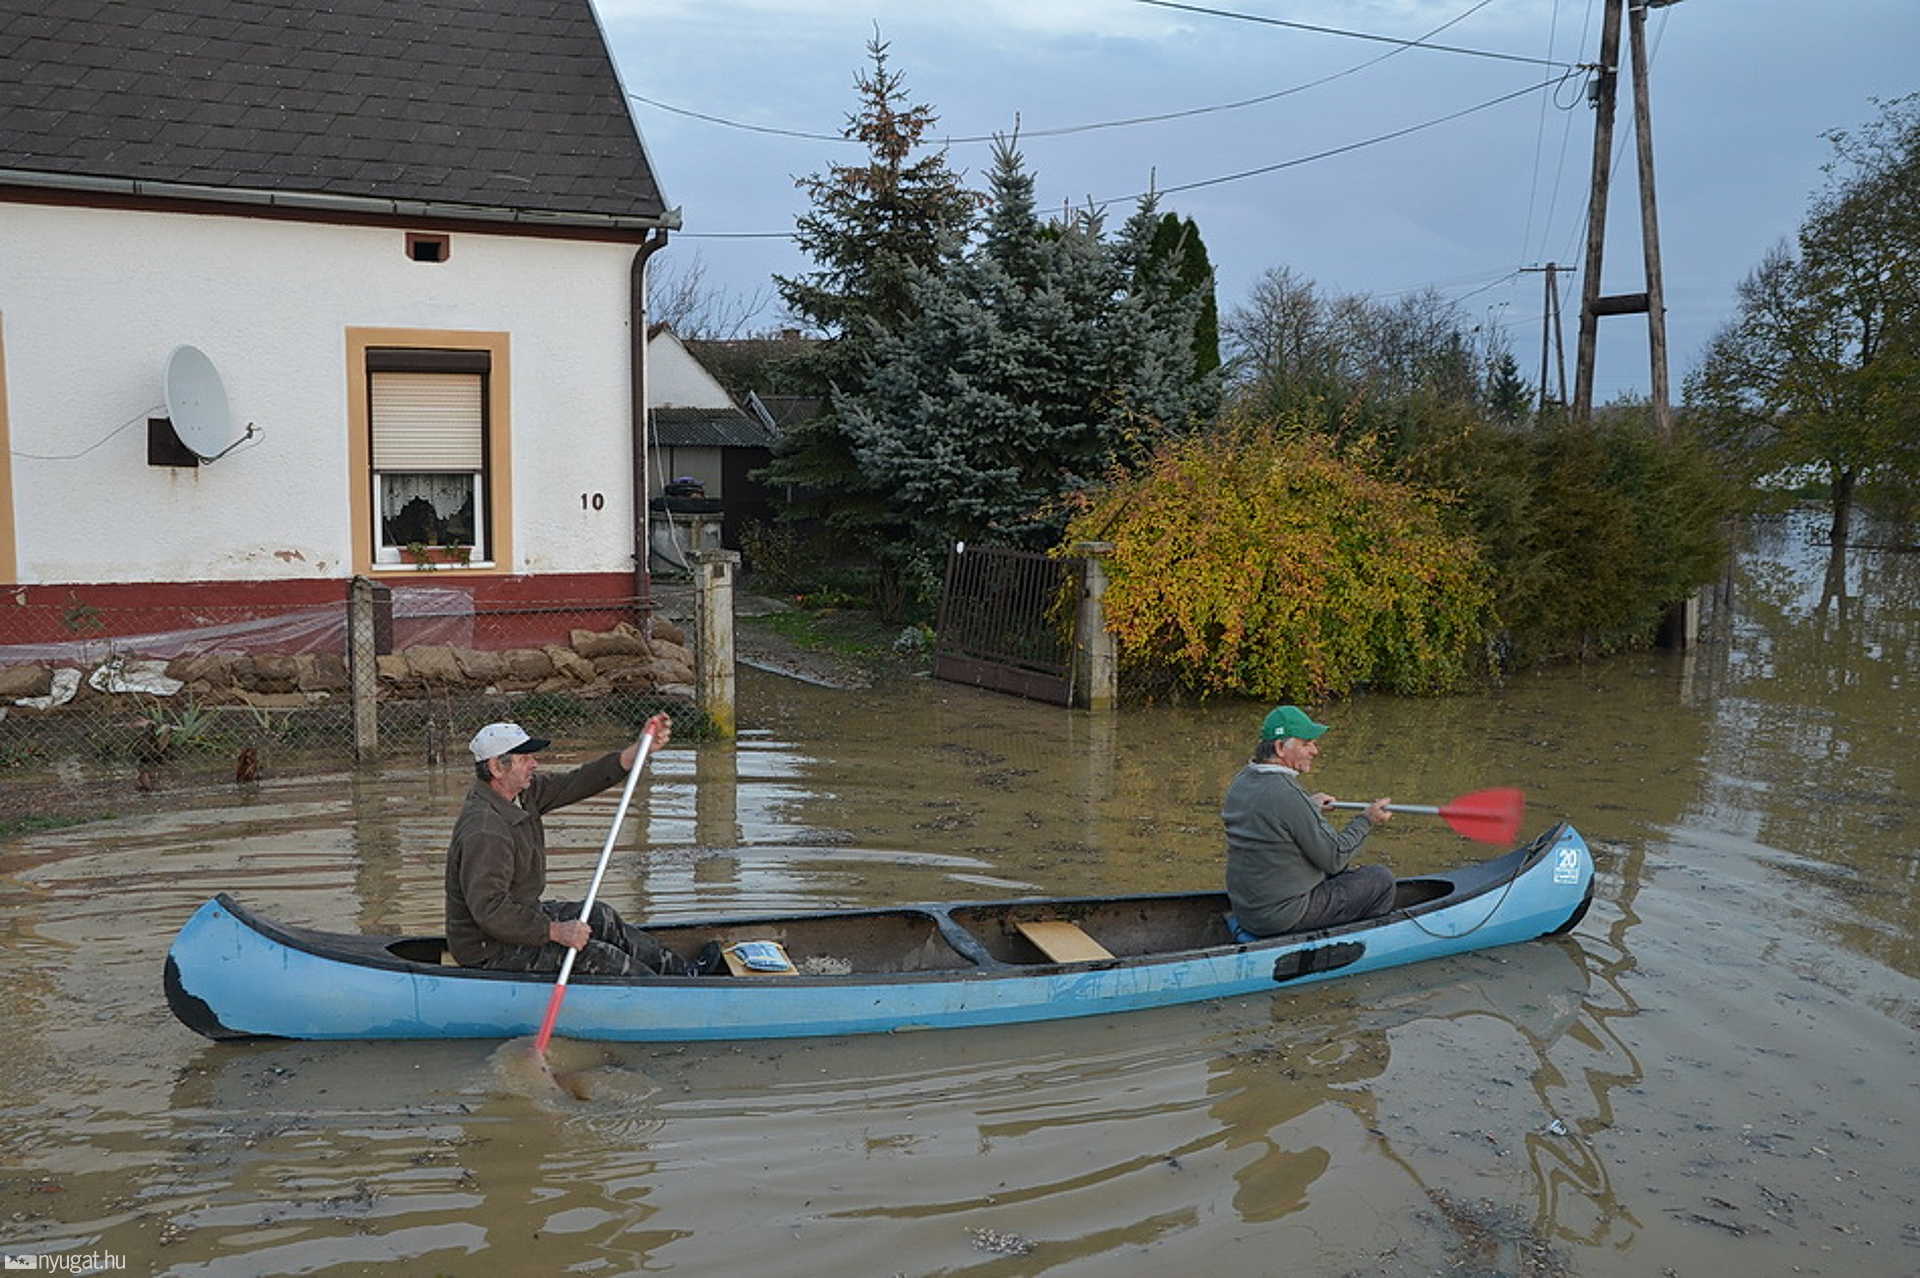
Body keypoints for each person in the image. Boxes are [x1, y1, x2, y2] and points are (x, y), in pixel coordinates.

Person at [445, 715, 699, 977]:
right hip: (489, 949)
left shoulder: (523, 795)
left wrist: (637, 751)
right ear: (497, 768)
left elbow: (577, 782)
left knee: (600, 916)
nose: (535, 763)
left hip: (521, 916)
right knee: (596, 956)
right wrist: (555, 931)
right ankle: (665, 994)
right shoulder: (485, 830)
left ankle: (684, 973)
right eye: (524, 759)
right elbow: (491, 911)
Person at [1223, 704, 1397, 939]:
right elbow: (1335, 857)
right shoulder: (1287, 793)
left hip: (1248, 911)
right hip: (1283, 916)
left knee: (1341, 871)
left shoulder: (1242, 780)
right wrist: (1367, 819)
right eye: (1306, 744)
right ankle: (1360, 943)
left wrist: (1311, 805)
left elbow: (1272, 818)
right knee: (1380, 880)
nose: (1315, 750)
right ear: (1279, 748)